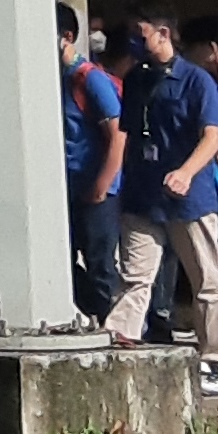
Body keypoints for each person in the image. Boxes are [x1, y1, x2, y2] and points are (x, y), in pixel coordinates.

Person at [106, 5, 218, 389]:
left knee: (207, 280)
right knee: (134, 277)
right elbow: (132, 135)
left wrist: (186, 172)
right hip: (143, 196)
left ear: (164, 34)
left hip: (190, 199)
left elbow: (212, 135)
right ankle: (118, 347)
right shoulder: (136, 79)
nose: (136, 42)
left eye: (143, 34)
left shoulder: (195, 80)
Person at [61, 18, 127, 324]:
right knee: (63, 263)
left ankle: (112, 327)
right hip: (68, 189)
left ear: (68, 36)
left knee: (101, 265)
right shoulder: (55, 78)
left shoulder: (89, 79)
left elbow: (118, 134)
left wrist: (102, 185)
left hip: (98, 190)